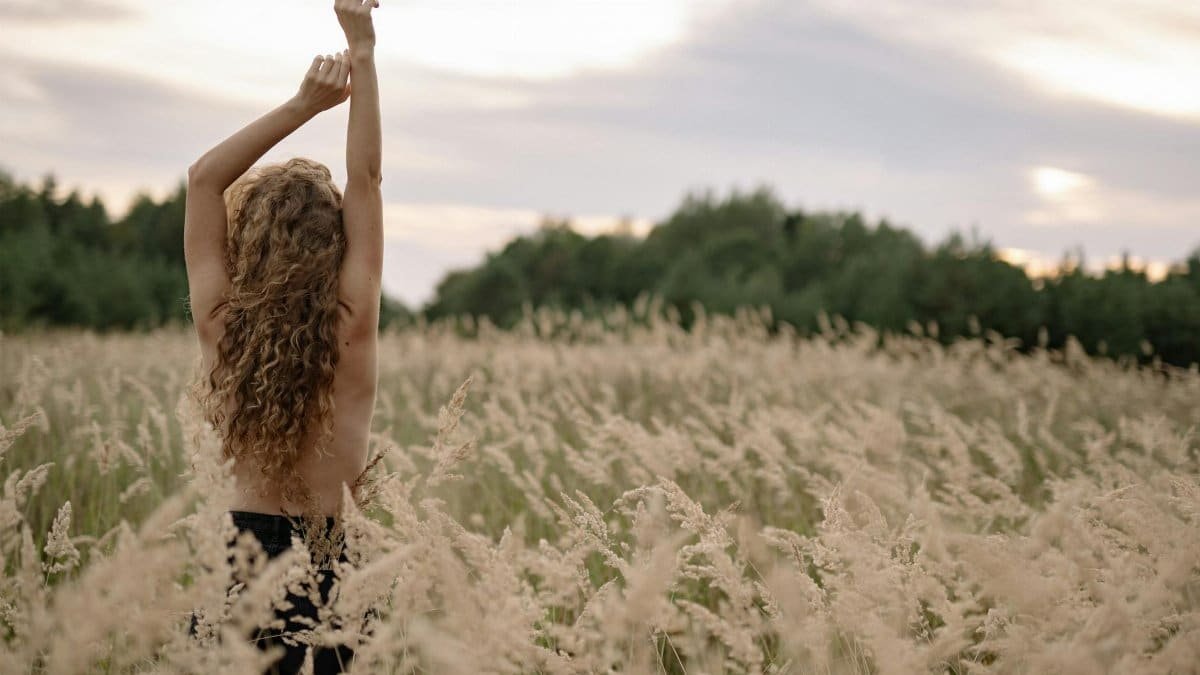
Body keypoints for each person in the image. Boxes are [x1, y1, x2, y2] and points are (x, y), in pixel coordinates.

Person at [182, 1, 383, 672]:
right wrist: (362, 50)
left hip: (238, 559)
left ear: (249, 241)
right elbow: (366, 179)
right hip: (333, 566)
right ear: (335, 244)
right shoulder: (351, 324)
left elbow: (205, 179)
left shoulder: (223, 325)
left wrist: (304, 104)